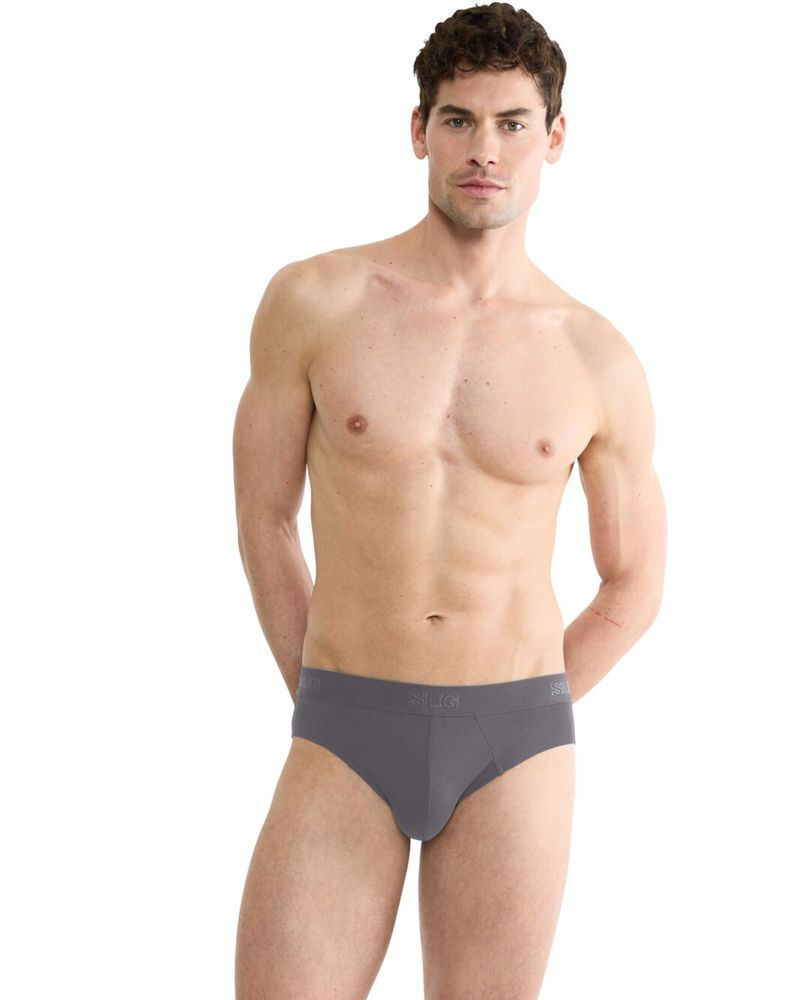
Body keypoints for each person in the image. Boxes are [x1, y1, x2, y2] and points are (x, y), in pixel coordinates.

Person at [231, 3, 667, 997]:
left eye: (513, 123)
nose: (485, 150)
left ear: (555, 137)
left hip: (514, 748)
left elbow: (634, 580)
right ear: (419, 129)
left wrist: (525, 707)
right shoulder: (315, 301)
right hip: (344, 721)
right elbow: (264, 515)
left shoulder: (595, 355)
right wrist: (317, 689)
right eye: (460, 119)